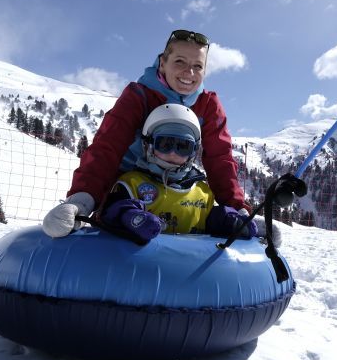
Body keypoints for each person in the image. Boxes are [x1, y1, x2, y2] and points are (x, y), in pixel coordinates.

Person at [42, 29, 252, 239]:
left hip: (178, 185)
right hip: (129, 190)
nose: (189, 72)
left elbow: (220, 159)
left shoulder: (207, 104)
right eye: (180, 61)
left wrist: (238, 210)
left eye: (198, 66)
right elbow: (107, 147)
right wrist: (82, 200)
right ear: (162, 64)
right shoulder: (139, 96)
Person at [96, 103, 264, 244]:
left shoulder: (202, 191)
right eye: (165, 143)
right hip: (143, 269)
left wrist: (228, 221)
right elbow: (112, 211)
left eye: (183, 146)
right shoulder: (132, 183)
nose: (173, 153)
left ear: (193, 152)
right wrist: (131, 217)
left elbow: (209, 221)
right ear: (148, 145)